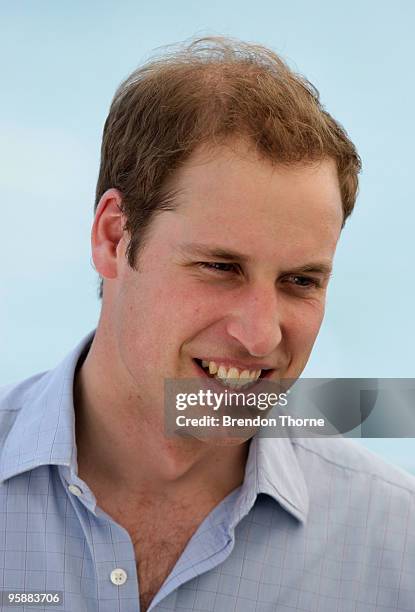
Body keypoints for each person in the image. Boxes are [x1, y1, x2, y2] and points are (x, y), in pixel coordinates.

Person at [1, 37, 414, 612]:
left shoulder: (397, 544)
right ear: (114, 238)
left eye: (300, 281)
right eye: (220, 268)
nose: (261, 335)